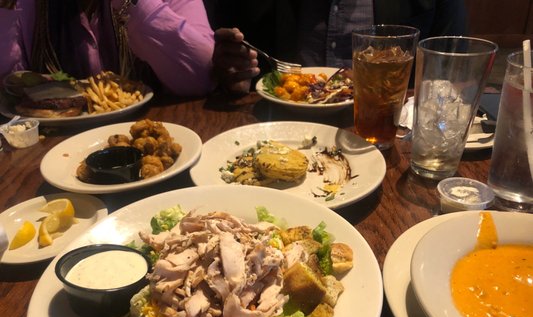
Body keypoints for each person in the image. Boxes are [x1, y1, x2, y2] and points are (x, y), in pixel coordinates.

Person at [205, 0, 468, 94]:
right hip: (281, 126)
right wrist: (231, 76)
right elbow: (228, 62)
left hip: (391, 132)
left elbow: (455, 70)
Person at [0, 0, 215, 96]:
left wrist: (132, 3)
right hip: (52, 162)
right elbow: (9, 91)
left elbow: (203, 77)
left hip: (159, 145)